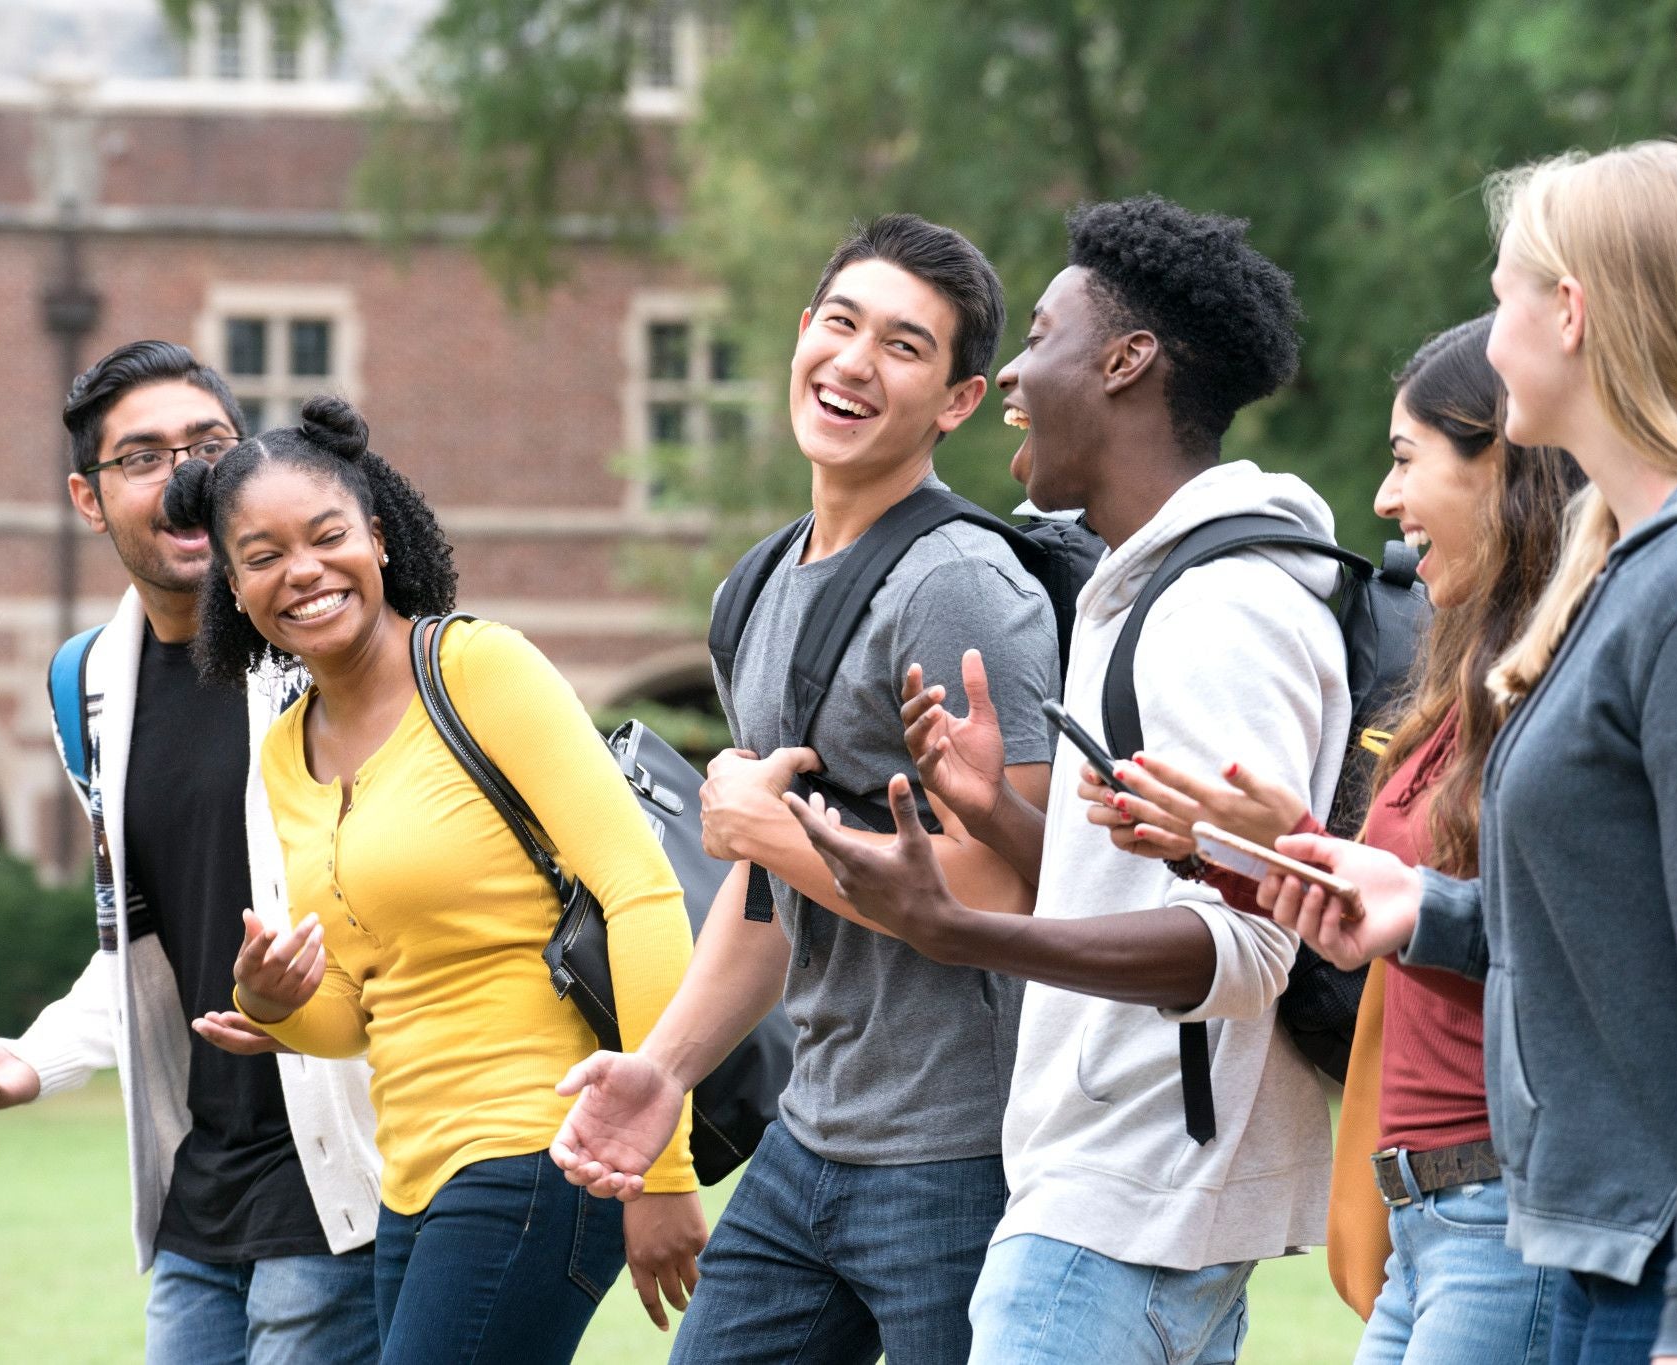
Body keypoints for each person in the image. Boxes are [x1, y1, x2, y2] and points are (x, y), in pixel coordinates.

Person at [1261, 142, 1677, 1365]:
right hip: (1598, 1259)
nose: (1490, 321)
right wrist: (1421, 911)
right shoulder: (1635, 567)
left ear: (1566, 313)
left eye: (1504, 287)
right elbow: (1628, 940)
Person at [785, 196, 1349, 1364]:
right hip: (1108, 1198)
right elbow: (1164, 898)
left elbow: (1248, 951)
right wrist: (996, 811)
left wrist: (956, 930)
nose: (1007, 378)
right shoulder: (1139, 593)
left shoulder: (1218, 609)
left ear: (1125, 361)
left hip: (1120, 1207)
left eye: (1037, 336)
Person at [548, 214, 1062, 1364]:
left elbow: (1008, 890)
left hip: (958, 1157)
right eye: (839, 324)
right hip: (809, 1139)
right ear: (799, 335)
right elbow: (766, 904)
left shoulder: (961, 587)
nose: (852, 363)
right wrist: (663, 1072)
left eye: (902, 346)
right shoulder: (757, 586)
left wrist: (772, 835)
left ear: (957, 400)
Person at [1079, 315, 1584, 1363]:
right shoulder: (1466, 686)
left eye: (1405, 460)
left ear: (1504, 464)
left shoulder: (1572, 685)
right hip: (1422, 1221)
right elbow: (1390, 912)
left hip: (1505, 1213)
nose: (1385, 502)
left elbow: (1576, 938)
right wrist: (1235, 849)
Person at [160, 395, 705, 1365]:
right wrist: (271, 1000)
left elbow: (641, 897)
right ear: (233, 588)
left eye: (326, 536)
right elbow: (354, 1013)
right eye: (263, 555)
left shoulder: (477, 668)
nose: (303, 572)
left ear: (376, 538)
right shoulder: (287, 752)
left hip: (549, 1144)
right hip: (408, 1181)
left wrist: (659, 1164)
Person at [0, 340, 382, 1365]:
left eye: (209, 445)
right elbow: (145, 951)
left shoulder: (328, 650)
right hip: (198, 1192)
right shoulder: (90, 688)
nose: (187, 476)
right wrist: (31, 1061)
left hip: (343, 1178)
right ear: (86, 497)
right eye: (145, 457)